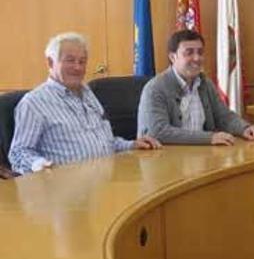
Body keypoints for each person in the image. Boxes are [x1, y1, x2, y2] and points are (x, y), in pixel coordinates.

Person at [9, 32, 161, 174]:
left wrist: (132, 145)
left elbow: (104, 143)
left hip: (103, 184)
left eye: (82, 61)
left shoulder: (88, 94)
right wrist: (39, 165)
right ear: (50, 62)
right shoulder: (34, 103)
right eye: (70, 60)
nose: (77, 67)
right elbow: (18, 154)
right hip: (63, 191)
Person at [137, 30, 254, 145]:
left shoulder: (204, 83)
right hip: (165, 161)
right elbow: (158, 132)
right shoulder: (155, 88)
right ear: (172, 57)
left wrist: (244, 128)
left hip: (201, 157)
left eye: (200, 52)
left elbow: (224, 116)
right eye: (189, 53)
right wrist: (209, 138)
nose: (197, 58)